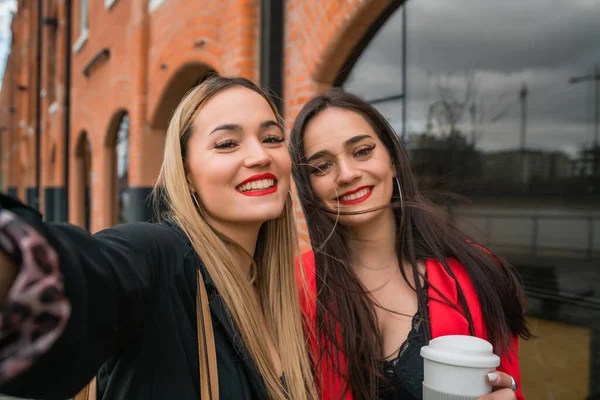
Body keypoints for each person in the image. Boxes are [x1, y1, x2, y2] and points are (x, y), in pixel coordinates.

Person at [0, 75, 317, 400]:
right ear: (187, 173)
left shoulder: (286, 295)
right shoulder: (158, 256)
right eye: (226, 144)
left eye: (272, 138)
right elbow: (84, 276)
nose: (259, 155)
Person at [289, 88, 533, 400]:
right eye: (321, 167)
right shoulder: (296, 287)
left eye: (362, 151)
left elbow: (512, 388)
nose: (347, 174)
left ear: (391, 159)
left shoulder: (477, 272)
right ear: (309, 187)